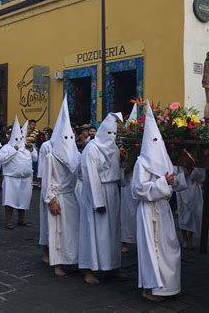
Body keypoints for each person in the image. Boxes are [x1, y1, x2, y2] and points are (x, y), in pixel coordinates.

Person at [131, 102, 185, 301]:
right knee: (150, 250)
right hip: (148, 210)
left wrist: (175, 179)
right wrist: (163, 182)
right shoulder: (141, 163)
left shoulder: (165, 160)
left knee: (168, 247)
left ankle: (167, 286)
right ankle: (150, 288)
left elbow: (175, 183)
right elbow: (138, 189)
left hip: (162, 209)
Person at [78, 112, 124, 284]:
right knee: (93, 231)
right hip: (95, 193)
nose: (112, 137)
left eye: (114, 133)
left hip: (112, 192)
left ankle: (112, 267)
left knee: (112, 231)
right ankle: (89, 269)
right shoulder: (92, 148)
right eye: (109, 133)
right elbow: (90, 176)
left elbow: (118, 172)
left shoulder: (116, 149)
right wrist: (98, 202)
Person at [42, 96, 81, 277]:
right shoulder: (51, 157)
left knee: (72, 230)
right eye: (65, 137)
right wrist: (51, 200)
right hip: (57, 197)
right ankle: (57, 263)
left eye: (70, 137)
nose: (68, 140)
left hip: (71, 197)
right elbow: (47, 181)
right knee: (57, 231)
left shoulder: (75, 155)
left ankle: (71, 259)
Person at [0, 117, 38, 229]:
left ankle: (21, 220)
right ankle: (9, 221)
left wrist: (32, 150)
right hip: (11, 178)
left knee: (23, 199)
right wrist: (13, 150)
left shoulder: (26, 148)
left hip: (25, 178)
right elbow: (0, 159)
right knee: (10, 200)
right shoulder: (7, 147)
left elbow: (35, 159)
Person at [120, 104, 139, 253]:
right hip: (128, 181)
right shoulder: (122, 148)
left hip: (139, 180)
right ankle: (124, 240)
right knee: (126, 211)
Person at [177, 166, 206, 249]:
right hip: (181, 189)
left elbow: (201, 176)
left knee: (192, 214)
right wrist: (185, 171)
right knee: (182, 213)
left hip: (193, 188)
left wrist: (192, 170)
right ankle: (185, 239)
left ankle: (190, 237)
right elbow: (176, 175)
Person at [37, 128, 54, 264]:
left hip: (67, 194)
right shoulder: (46, 147)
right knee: (46, 222)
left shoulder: (72, 149)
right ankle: (45, 251)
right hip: (49, 188)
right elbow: (43, 170)